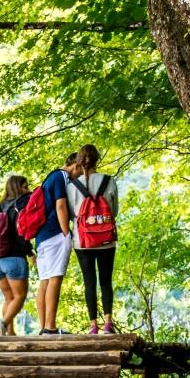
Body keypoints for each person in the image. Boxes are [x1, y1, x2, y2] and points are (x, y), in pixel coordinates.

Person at [65, 143, 120, 335]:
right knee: (106, 281)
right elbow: (114, 211)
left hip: (83, 241)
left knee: (89, 282)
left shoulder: (72, 186)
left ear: (79, 162)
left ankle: (93, 326)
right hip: (106, 240)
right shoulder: (109, 181)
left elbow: (72, 214)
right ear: (98, 160)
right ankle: (108, 324)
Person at [33, 154, 75, 334]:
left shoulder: (50, 177)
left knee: (45, 281)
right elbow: (60, 206)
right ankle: (50, 327)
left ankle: (44, 327)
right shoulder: (61, 176)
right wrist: (66, 233)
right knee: (55, 279)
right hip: (55, 233)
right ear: (75, 165)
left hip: (41, 236)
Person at [0, 175, 32, 335]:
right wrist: (30, 252)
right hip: (14, 257)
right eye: (25, 187)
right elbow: (22, 231)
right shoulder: (21, 205)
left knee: (9, 298)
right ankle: (4, 324)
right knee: (20, 296)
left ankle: (10, 333)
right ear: (18, 188)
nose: (28, 190)